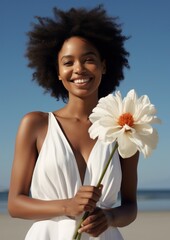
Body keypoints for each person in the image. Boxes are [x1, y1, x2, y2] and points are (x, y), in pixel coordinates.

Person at [8, 6, 139, 240]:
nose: (78, 68)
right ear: (57, 71)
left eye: (89, 59)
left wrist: (109, 218)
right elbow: (15, 204)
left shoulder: (124, 128)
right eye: (68, 62)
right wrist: (67, 206)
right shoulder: (36, 124)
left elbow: (130, 207)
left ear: (104, 65)